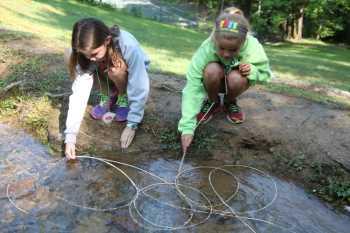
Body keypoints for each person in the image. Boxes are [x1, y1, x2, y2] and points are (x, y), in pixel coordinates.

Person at [178, 8, 272, 154]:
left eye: (233, 50)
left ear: (243, 41)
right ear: (215, 39)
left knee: (237, 78)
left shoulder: (252, 46)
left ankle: (229, 102)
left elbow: (266, 75)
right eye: (221, 48)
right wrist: (187, 128)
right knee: (211, 70)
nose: (226, 54)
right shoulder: (207, 47)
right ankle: (212, 101)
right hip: (214, 80)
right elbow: (192, 87)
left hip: (234, 82)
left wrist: (252, 70)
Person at [64, 18, 150, 160]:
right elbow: (79, 95)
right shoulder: (87, 54)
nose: (90, 58)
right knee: (70, 56)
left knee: (116, 69)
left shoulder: (128, 46)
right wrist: (70, 136)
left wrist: (132, 124)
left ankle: (123, 99)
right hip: (105, 71)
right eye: (86, 55)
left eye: (94, 54)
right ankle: (109, 97)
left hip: (127, 75)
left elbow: (140, 86)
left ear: (107, 40)